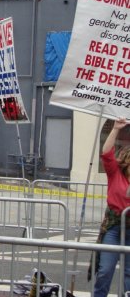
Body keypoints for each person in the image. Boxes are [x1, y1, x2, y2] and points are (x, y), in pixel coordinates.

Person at [93, 117, 130, 296]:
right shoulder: (115, 173)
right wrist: (115, 129)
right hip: (114, 228)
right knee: (105, 271)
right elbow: (107, 153)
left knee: (129, 275)